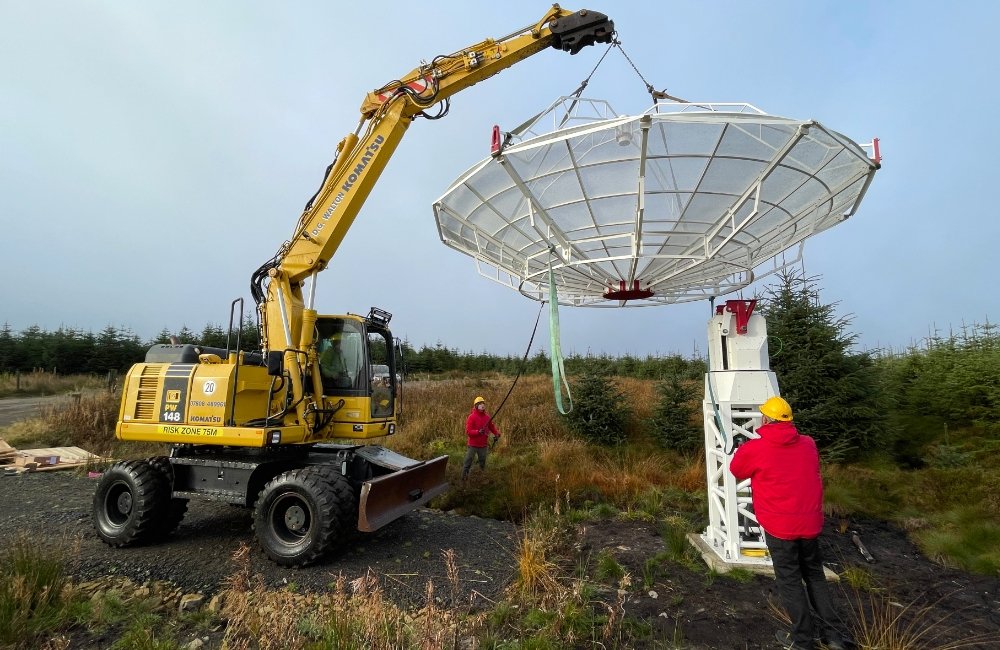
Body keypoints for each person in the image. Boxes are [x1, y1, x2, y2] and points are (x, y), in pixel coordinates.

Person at [729, 396, 850, 650]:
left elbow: (737, 470)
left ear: (765, 419)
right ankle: (835, 636)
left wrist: (742, 448)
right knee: (815, 576)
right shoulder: (808, 444)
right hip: (810, 525)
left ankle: (803, 641)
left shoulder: (756, 449)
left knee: (790, 581)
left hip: (780, 528)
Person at [463, 396, 500, 480]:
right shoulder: (471, 417)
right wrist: (478, 432)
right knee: (468, 462)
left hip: (483, 445)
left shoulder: (487, 417)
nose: (482, 405)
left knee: (482, 463)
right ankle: (463, 479)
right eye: (480, 404)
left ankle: (481, 478)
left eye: (483, 403)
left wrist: (497, 434)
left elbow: (492, 427)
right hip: (473, 445)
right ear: (476, 406)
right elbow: (468, 432)